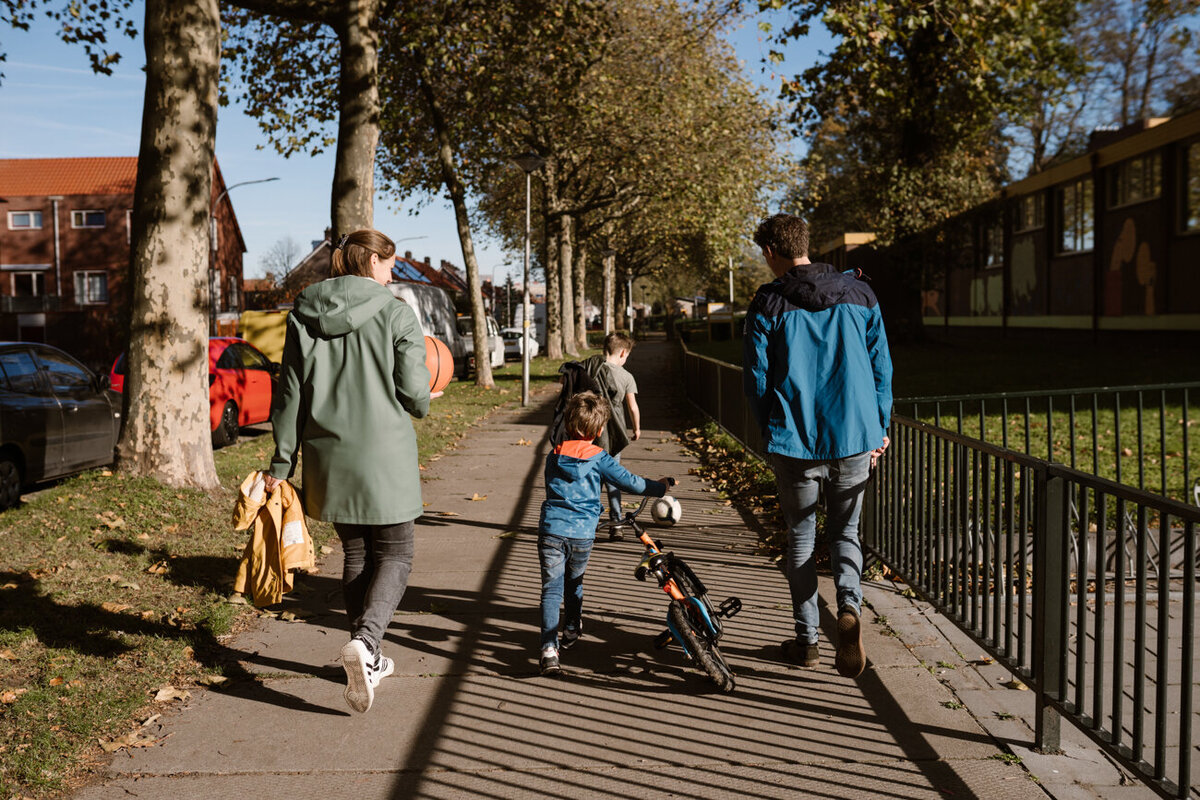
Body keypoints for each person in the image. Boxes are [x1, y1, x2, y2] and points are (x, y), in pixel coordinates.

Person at [263, 228, 431, 713]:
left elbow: (289, 394)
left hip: (328, 456)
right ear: (372, 262)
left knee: (356, 552)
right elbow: (416, 396)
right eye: (389, 263)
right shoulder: (397, 312)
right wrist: (424, 394)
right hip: (385, 456)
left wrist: (281, 461)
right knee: (396, 555)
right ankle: (367, 643)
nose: (392, 272)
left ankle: (367, 655)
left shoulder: (302, 315)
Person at [742, 213, 892, 679]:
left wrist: (770, 431)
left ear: (771, 251)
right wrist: (880, 426)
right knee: (846, 533)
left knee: (801, 539)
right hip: (853, 438)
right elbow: (881, 367)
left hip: (795, 442)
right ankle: (849, 607)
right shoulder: (861, 294)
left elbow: (757, 379)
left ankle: (807, 642)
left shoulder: (767, 303)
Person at [537, 390, 671, 676]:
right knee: (575, 582)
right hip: (582, 534)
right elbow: (631, 483)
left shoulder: (554, 456)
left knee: (551, 588)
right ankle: (571, 629)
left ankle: (549, 649)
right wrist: (659, 487)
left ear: (569, 424)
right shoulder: (599, 458)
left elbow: (552, 489)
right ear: (599, 430)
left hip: (551, 531)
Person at [580, 331, 641, 541]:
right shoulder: (626, 377)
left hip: (589, 434)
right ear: (623, 352)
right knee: (613, 480)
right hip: (614, 437)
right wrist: (637, 428)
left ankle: (592, 522)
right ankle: (616, 525)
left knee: (592, 481)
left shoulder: (590, 369)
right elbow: (633, 407)